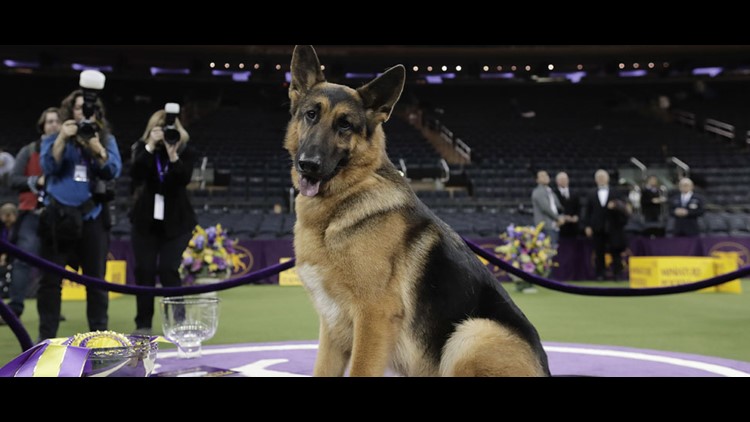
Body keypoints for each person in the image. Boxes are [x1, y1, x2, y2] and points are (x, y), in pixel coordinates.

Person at [37, 87, 122, 341]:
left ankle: (99, 340)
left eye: (89, 107)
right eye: (78, 107)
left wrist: (97, 149)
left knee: (96, 283)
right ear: (69, 111)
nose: (83, 111)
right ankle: (45, 340)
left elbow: (113, 171)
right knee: (50, 283)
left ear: (97, 113)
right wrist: (63, 137)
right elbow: (49, 166)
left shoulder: (105, 138)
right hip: (58, 218)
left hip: (92, 217)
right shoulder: (54, 136)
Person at [130, 109, 197, 335]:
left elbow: (183, 178)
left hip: (177, 221)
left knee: (169, 269)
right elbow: (136, 173)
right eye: (159, 128)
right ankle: (143, 325)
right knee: (144, 271)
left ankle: (178, 323)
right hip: (145, 221)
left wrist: (172, 153)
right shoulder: (142, 149)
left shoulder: (186, 151)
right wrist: (150, 145)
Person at [6, 108, 60, 319]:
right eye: (49, 122)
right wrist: (35, 181)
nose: (53, 125)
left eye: (57, 121)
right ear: (43, 126)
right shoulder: (28, 151)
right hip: (31, 214)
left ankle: (51, 309)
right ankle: (15, 308)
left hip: (58, 217)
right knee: (23, 261)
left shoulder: (70, 152)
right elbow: (13, 180)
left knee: (55, 266)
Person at [582, 169, 631, 281]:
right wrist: (587, 226)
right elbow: (587, 211)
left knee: (616, 252)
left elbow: (624, 209)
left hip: (614, 227)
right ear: (595, 180)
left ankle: (618, 274)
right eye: (599, 178)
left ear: (607, 179)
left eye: (603, 177)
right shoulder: (591, 193)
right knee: (599, 252)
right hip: (597, 227)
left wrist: (615, 206)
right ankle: (600, 274)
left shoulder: (616, 192)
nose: (601, 179)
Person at [531, 170, 564, 246]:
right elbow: (545, 208)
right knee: (548, 250)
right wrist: (558, 218)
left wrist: (561, 217)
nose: (545, 177)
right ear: (537, 180)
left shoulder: (550, 191)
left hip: (554, 225)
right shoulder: (538, 192)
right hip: (545, 226)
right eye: (542, 176)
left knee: (554, 248)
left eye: (546, 175)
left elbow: (558, 207)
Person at [552, 171, 581, 239]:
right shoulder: (553, 194)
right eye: (561, 179)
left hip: (573, 228)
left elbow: (578, 208)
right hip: (559, 227)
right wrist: (563, 217)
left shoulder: (575, 193)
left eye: (565, 179)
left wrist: (576, 217)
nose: (563, 181)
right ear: (557, 181)